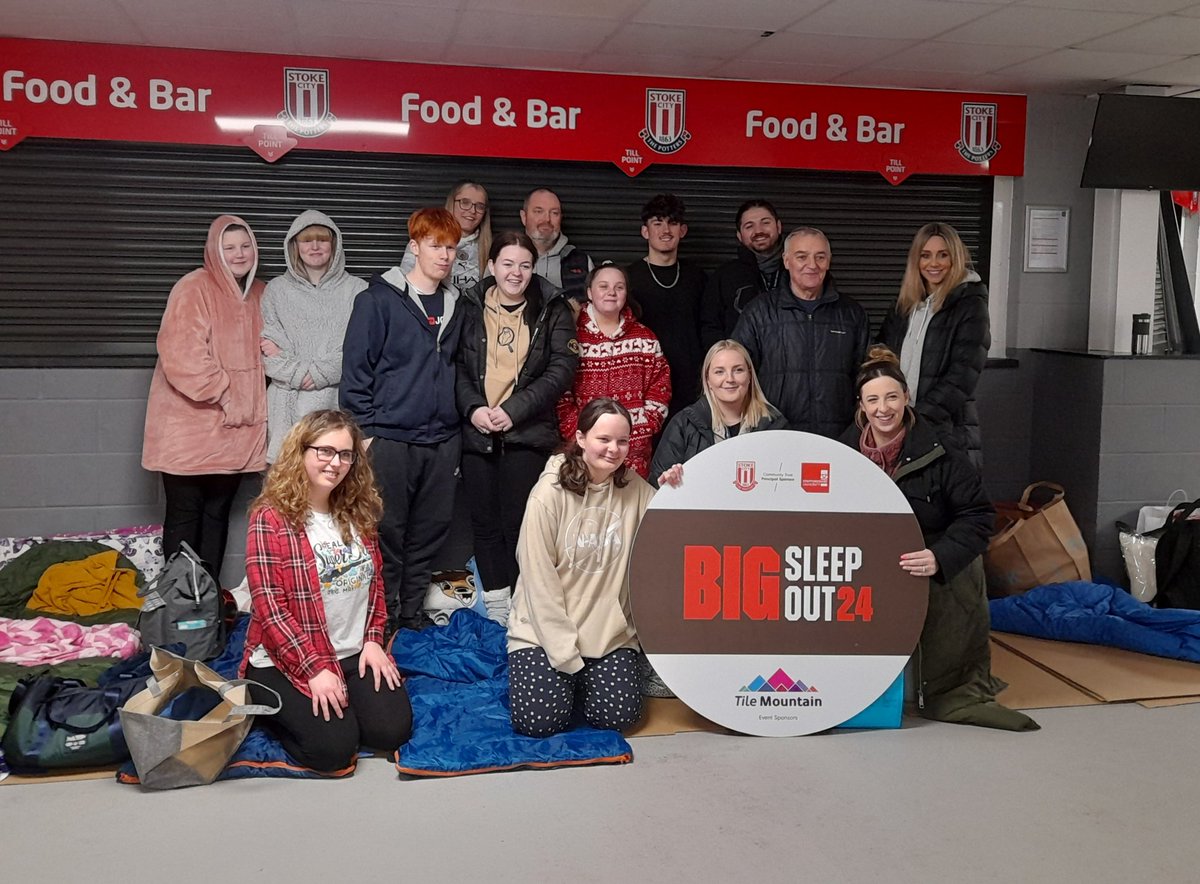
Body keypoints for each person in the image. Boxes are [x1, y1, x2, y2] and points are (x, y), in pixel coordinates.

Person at [840, 347, 1037, 731]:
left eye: (892, 397)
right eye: (874, 399)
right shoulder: (841, 453)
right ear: (861, 406)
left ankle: (949, 691)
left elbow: (978, 516)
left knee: (962, 570)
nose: (884, 408)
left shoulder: (942, 450)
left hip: (927, 553)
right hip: (869, 560)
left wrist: (939, 556)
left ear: (906, 398)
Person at [241, 409, 413, 772]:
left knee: (391, 732)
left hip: (351, 651)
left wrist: (373, 641)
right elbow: (270, 609)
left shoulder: (357, 511)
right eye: (324, 451)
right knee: (333, 750)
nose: (335, 463)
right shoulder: (270, 518)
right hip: (287, 658)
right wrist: (314, 670)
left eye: (345, 454)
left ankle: (339, 701)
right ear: (301, 452)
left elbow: (376, 587)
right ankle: (273, 706)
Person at [340, 207, 464, 634]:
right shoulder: (376, 300)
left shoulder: (457, 305)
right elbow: (355, 373)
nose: (444, 255)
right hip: (389, 439)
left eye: (451, 247)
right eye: (435, 245)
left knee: (428, 533)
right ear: (414, 246)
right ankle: (384, 622)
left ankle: (410, 619)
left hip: (442, 440)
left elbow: (460, 370)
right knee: (386, 533)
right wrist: (367, 435)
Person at [508, 398, 658, 737]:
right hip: (545, 633)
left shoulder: (635, 489)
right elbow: (537, 581)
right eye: (603, 439)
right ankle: (568, 683)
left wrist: (678, 483)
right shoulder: (548, 493)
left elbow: (671, 516)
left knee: (619, 719)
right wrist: (565, 655)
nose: (613, 449)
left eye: (622, 441)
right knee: (538, 723)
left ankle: (580, 685)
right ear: (580, 438)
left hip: (607, 634)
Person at [456, 230, 579, 625]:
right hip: (476, 432)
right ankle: (495, 608)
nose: (516, 273)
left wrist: (514, 409)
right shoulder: (468, 305)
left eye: (524, 265)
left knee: (520, 524)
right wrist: (473, 408)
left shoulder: (553, 307)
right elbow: (453, 364)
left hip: (528, 433)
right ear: (491, 266)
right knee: (485, 524)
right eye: (507, 264)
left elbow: (563, 368)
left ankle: (524, 611)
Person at [142, 214, 267, 582]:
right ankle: (179, 603)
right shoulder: (193, 287)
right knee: (185, 514)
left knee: (217, 515)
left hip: (235, 434)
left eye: (245, 246)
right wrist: (226, 393)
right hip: (189, 433)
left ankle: (208, 603)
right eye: (229, 248)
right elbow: (182, 355)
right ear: (215, 251)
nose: (239, 254)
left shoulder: (261, 292)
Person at [732, 226, 868, 437]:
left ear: (829, 260)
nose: (812, 265)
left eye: (820, 257)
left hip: (839, 438)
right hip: (774, 435)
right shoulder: (759, 312)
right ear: (786, 261)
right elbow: (737, 374)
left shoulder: (851, 314)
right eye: (802, 257)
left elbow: (867, 377)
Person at [877, 222, 991, 468]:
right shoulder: (904, 305)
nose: (934, 263)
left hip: (946, 428)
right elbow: (883, 359)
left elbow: (963, 375)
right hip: (898, 429)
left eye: (943, 255)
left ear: (956, 258)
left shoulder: (970, 304)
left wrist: (917, 419)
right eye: (925, 255)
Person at [260, 210, 368, 463]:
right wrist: (301, 373)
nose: (315, 246)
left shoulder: (358, 291)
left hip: (338, 405)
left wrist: (318, 373)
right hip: (287, 412)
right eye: (307, 240)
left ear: (335, 244)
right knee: (288, 495)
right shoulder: (276, 290)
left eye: (322, 239)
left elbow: (362, 352)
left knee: (337, 493)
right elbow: (270, 355)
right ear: (294, 247)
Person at [557, 265, 670, 479]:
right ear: (590, 292)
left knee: (629, 512)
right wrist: (580, 437)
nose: (611, 292)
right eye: (604, 286)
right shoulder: (570, 335)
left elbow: (660, 390)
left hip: (633, 458)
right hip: (583, 456)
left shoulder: (645, 338)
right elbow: (560, 390)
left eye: (619, 287)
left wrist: (639, 432)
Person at [648, 339, 787, 486]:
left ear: (750, 375)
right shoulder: (684, 423)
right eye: (719, 372)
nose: (730, 379)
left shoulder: (775, 424)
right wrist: (667, 483)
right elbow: (656, 484)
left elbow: (789, 484)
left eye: (738, 370)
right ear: (707, 379)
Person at [625, 193, 707, 418]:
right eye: (657, 223)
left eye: (672, 223)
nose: (666, 230)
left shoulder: (697, 277)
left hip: (692, 386)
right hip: (645, 385)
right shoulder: (628, 278)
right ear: (645, 231)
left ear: (683, 230)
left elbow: (707, 327)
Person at [699, 199, 784, 349]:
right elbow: (710, 328)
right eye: (749, 226)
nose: (759, 231)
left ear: (778, 227)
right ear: (739, 235)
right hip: (742, 369)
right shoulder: (724, 276)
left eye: (765, 222)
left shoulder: (800, 271)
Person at [401, 180, 493, 293]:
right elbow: (406, 284)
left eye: (480, 206)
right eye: (465, 202)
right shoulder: (424, 242)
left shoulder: (490, 248)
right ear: (451, 203)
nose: (472, 211)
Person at [521, 187, 593, 304]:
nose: (547, 219)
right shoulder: (504, 258)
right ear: (524, 217)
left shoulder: (582, 261)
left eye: (554, 213)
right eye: (539, 211)